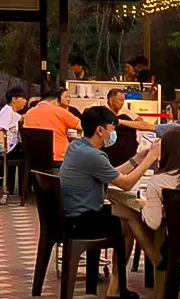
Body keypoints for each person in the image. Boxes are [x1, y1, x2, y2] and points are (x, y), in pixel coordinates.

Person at [58, 107, 161, 298]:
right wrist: (151, 159)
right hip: (81, 220)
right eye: (111, 129)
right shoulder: (93, 155)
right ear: (100, 130)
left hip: (71, 214)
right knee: (129, 221)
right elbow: (126, 184)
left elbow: (110, 173)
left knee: (128, 214)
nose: (113, 134)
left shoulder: (77, 147)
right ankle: (158, 265)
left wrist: (137, 159)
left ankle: (121, 285)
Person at [20, 88, 78, 164]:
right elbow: (83, 126)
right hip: (59, 158)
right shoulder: (60, 111)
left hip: (34, 159)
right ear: (55, 101)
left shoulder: (28, 113)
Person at [0, 86, 28, 190]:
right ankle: (25, 189)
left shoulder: (13, 112)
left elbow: (22, 118)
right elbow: (0, 130)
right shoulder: (7, 111)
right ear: (14, 99)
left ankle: (19, 188)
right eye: (23, 98)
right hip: (7, 148)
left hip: (12, 146)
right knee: (30, 155)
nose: (25, 101)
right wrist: (2, 149)